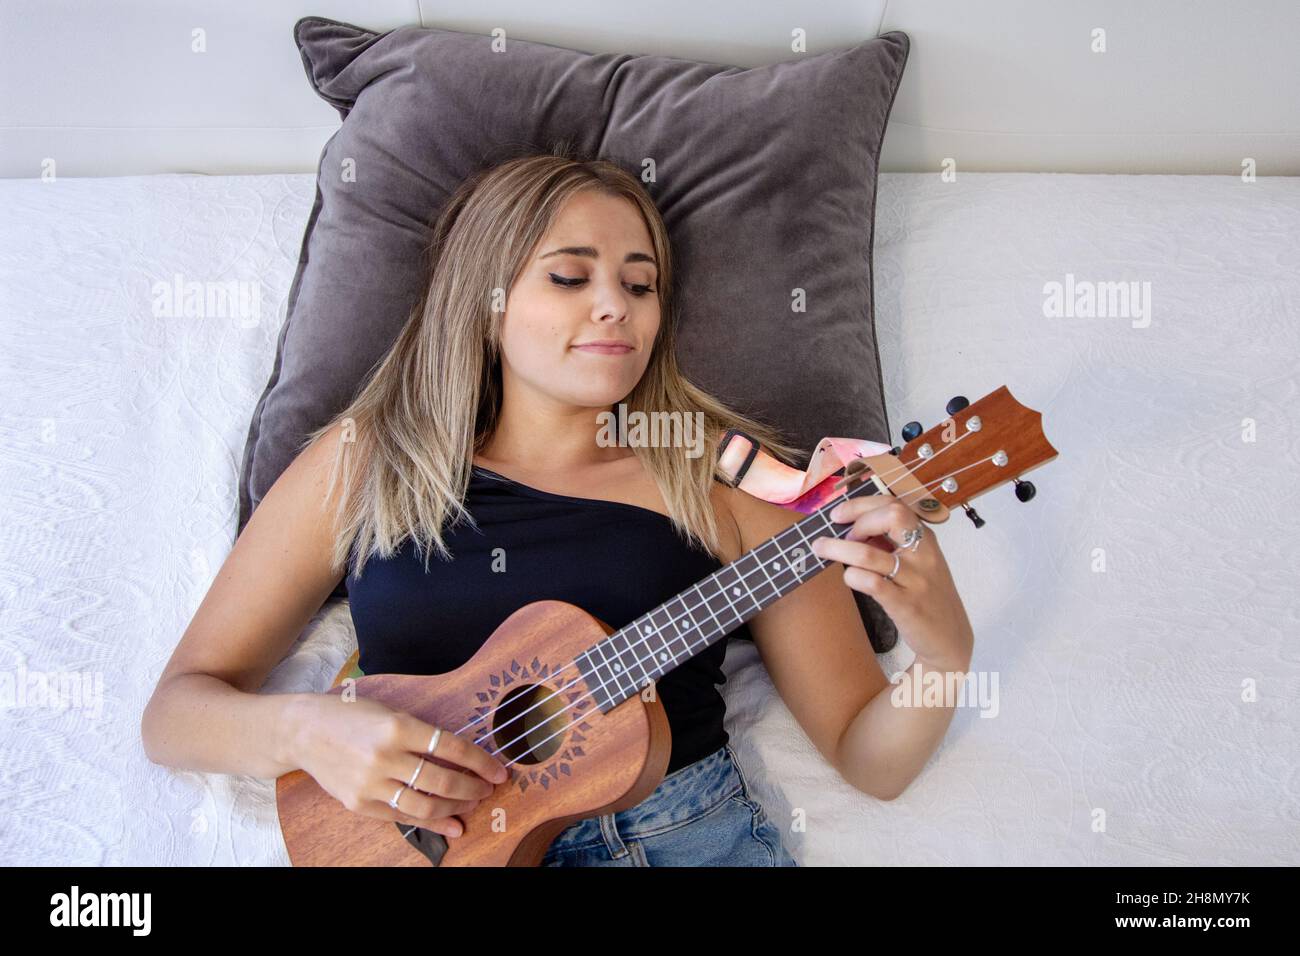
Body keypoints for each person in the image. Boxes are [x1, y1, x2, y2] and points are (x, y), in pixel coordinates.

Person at [141, 149, 975, 867]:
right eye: (570, 276)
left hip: (674, 838)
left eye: (640, 284)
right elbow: (176, 713)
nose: (615, 304)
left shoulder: (728, 493)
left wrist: (945, 657)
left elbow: (872, 758)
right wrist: (306, 734)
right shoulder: (368, 464)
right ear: (485, 298)